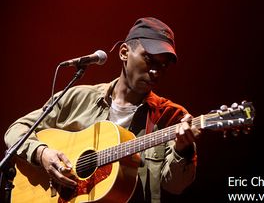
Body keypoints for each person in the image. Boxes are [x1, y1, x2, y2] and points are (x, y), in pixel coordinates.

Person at [4, 17, 200, 203]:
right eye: (149, 59)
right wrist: (42, 153)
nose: (156, 71)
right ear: (124, 52)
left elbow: (175, 186)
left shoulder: (173, 117)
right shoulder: (78, 98)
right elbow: (16, 130)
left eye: (163, 65)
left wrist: (183, 149)